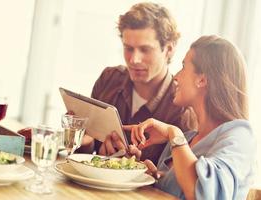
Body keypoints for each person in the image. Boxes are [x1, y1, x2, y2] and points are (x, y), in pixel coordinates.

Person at [125, 35, 257, 199]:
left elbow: (205, 194)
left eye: (183, 67)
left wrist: (174, 134)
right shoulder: (187, 140)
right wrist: (147, 176)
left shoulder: (239, 135)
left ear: (202, 79)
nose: (176, 77)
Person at [78, 2, 197, 164]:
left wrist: (133, 166)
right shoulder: (109, 79)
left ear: (169, 49)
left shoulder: (184, 110)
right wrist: (83, 140)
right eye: (128, 48)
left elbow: (175, 180)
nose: (134, 60)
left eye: (145, 50)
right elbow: (86, 151)